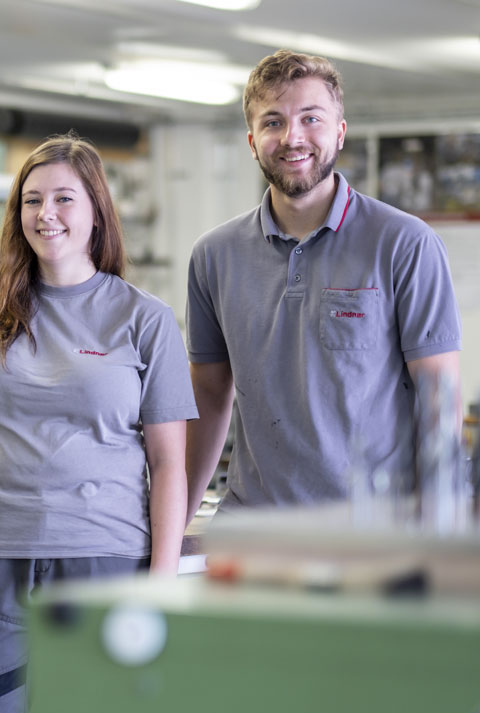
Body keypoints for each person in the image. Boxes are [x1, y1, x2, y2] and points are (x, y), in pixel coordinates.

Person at [0, 133, 198, 713]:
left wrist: (163, 580)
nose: (46, 215)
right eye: (32, 200)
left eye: (64, 198)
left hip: (105, 559)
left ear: (96, 211)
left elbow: (170, 462)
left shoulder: (143, 318)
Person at [185, 49, 462, 518]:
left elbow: (438, 401)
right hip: (254, 527)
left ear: (340, 131)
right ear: (252, 141)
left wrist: (437, 527)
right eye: (272, 122)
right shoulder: (214, 254)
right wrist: (174, 530)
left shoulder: (404, 243)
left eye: (310, 118)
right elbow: (209, 397)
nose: (292, 137)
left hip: (371, 529)